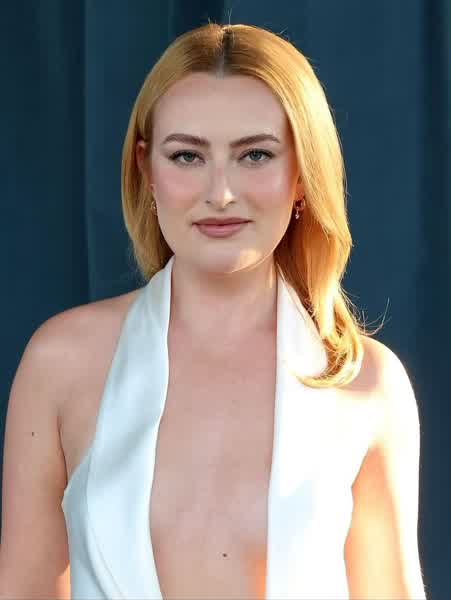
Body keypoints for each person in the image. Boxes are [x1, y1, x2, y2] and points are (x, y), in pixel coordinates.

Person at [0, 21, 427, 600]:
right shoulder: (60, 362)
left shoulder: (366, 383)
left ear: (302, 175)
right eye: (187, 156)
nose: (220, 193)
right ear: (147, 170)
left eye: (255, 154)